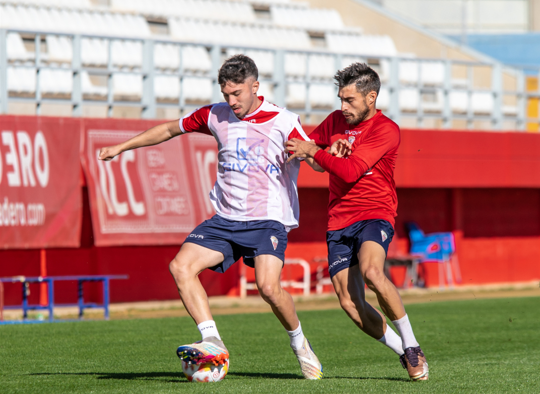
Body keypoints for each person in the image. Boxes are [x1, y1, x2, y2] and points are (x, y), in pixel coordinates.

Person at [98, 54, 323, 380]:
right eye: (226, 94)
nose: (232, 102)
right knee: (181, 266)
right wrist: (122, 147)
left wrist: (313, 155)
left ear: (255, 87)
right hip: (226, 219)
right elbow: (167, 130)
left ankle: (300, 344)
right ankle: (212, 339)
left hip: (267, 220)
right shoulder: (214, 115)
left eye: (238, 94)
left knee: (269, 288)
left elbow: (313, 158)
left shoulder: (284, 120)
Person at [286, 62, 429, 381]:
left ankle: (413, 345)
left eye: (349, 100)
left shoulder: (386, 130)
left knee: (372, 271)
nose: (343, 107)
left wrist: (317, 152)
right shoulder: (335, 121)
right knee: (350, 303)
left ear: (371, 97)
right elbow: (313, 159)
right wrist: (317, 154)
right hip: (339, 219)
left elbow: (350, 171)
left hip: (375, 211)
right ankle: (401, 351)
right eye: (340, 98)